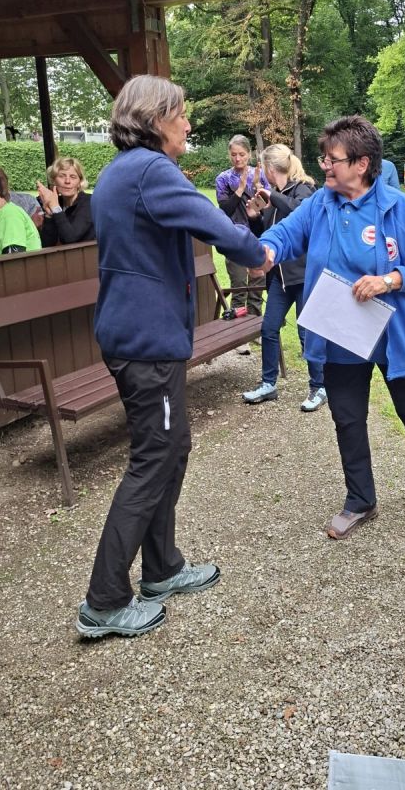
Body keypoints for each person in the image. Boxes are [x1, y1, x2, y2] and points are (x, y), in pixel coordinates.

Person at [76, 75, 265, 640]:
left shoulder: (121, 171)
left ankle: (161, 569)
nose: (188, 123)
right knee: (154, 456)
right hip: (147, 343)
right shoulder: (151, 170)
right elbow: (211, 222)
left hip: (139, 337)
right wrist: (257, 252)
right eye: (181, 113)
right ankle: (104, 601)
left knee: (170, 447)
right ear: (155, 118)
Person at [257, 114, 405, 540]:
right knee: (347, 418)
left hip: (395, 336)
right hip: (340, 335)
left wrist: (389, 280)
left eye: (332, 160)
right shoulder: (320, 204)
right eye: (324, 158)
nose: (325, 166)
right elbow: (285, 235)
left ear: (362, 163)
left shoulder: (402, 208)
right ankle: (360, 499)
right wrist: (265, 250)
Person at [241, 143, 326, 412]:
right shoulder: (274, 196)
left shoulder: (304, 189)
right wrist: (254, 217)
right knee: (269, 328)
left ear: (270, 168)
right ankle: (269, 383)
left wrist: (272, 197)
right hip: (279, 277)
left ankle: (319, 386)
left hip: (302, 275)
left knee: (306, 332)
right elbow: (267, 234)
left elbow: (301, 214)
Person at [215, 135, 269, 320]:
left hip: (257, 238)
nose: (237, 159)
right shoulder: (223, 178)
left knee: (256, 290)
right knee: (238, 287)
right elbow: (225, 210)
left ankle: (254, 329)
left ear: (249, 154)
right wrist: (240, 189)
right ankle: (237, 330)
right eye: (233, 155)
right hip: (234, 239)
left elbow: (267, 209)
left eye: (242, 154)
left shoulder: (260, 175)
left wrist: (258, 188)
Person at [37, 156, 95, 246]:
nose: (67, 181)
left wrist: (56, 208)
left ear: (79, 182)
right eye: (62, 176)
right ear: (54, 180)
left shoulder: (88, 202)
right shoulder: (57, 202)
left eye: (73, 177)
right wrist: (49, 215)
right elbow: (47, 245)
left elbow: (70, 238)